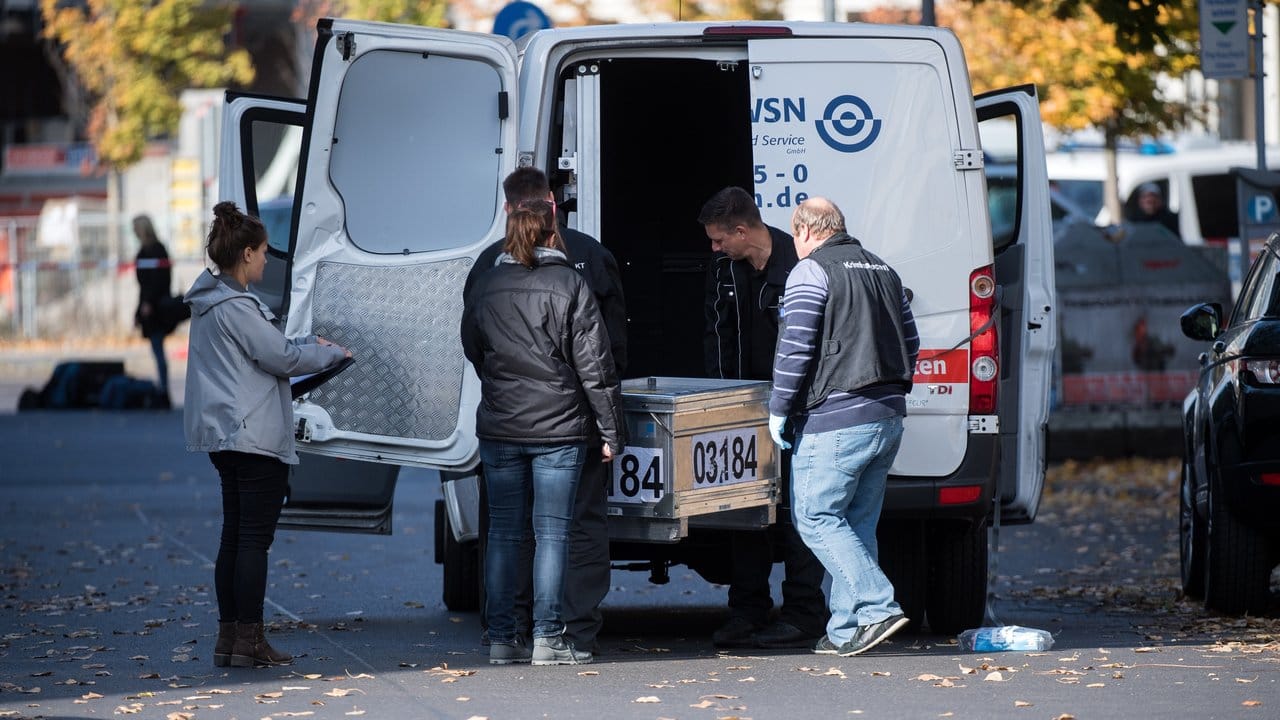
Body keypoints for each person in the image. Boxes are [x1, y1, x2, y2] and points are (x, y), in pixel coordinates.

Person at [463, 167, 627, 656]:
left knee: (505, 534)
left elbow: (473, 347)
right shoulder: (581, 267)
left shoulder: (487, 275)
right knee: (563, 531)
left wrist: (504, 386)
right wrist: (610, 428)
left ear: (509, 209)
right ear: (552, 208)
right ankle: (556, 635)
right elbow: (603, 360)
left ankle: (501, 637)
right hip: (562, 426)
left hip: (500, 424)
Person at [183, 201, 351, 668]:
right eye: (263, 252)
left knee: (234, 537)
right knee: (253, 541)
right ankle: (250, 640)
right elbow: (279, 358)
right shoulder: (236, 306)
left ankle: (229, 639)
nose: (265, 259)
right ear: (247, 254)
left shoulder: (209, 300)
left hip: (224, 433)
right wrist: (330, 353)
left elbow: (268, 351)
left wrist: (306, 347)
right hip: (251, 433)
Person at [768, 197, 918, 657]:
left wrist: (779, 407)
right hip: (888, 415)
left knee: (815, 517)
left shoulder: (811, 271)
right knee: (856, 524)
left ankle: (877, 607)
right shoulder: (883, 270)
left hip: (836, 417)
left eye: (794, 237)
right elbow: (910, 340)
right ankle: (845, 630)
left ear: (804, 231)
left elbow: (796, 346)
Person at [699, 186, 828, 650]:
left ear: (741, 230)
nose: (714, 249)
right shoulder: (724, 269)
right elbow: (714, 335)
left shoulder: (798, 267)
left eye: (719, 240)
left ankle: (803, 613)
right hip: (743, 407)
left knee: (798, 514)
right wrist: (720, 398)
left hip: (797, 409)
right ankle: (747, 610)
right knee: (743, 510)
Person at [133, 214, 174, 394]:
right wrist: (138, 311)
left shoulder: (156, 250)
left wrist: (148, 302)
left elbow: (159, 281)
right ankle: (163, 387)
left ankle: (164, 388)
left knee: (158, 349)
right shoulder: (145, 251)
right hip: (150, 306)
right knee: (157, 349)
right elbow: (143, 286)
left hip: (157, 308)